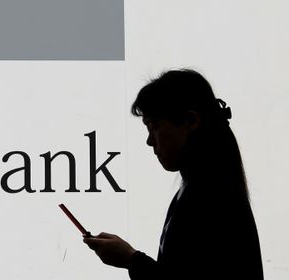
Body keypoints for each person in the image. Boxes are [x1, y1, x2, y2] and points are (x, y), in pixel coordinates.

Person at [84, 68, 263, 279]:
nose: (150, 141)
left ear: (190, 121)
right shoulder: (206, 189)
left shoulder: (210, 196)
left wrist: (131, 260)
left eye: (154, 126)